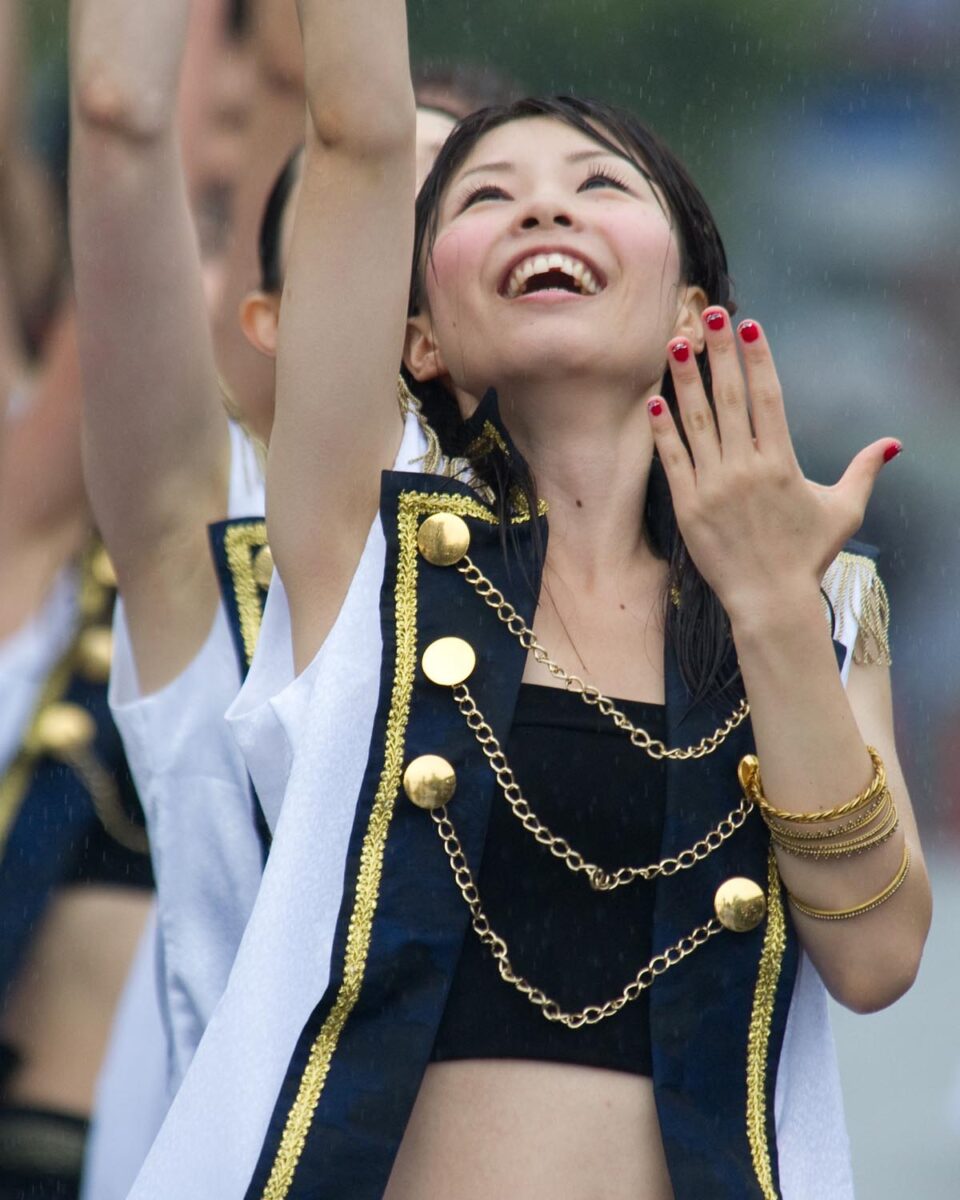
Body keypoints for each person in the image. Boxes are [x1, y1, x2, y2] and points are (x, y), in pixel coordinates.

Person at [119, 2, 932, 1198]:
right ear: (421, 340)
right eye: (484, 196)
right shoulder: (364, 557)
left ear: (689, 308)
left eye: (599, 184)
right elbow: (355, 134)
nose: (544, 206)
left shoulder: (821, 599)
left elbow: (876, 956)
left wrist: (766, 604)